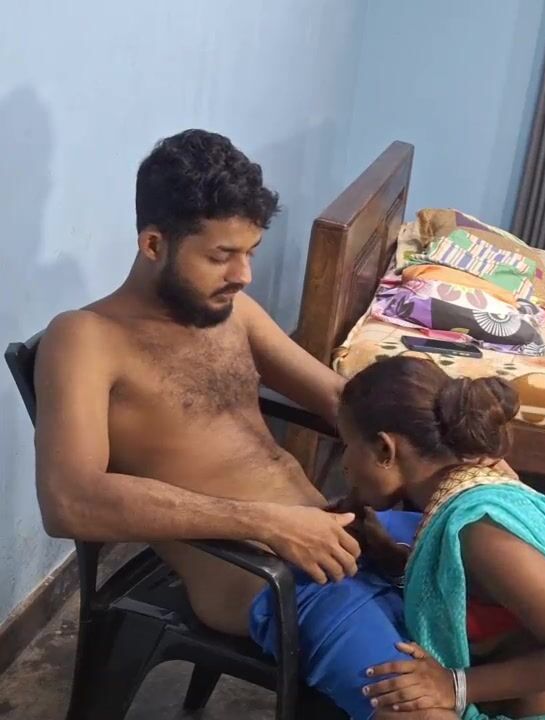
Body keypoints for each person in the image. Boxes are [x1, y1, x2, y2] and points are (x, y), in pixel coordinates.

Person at [33, 129, 418, 718]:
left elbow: (343, 401)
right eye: (220, 256)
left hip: (338, 534)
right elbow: (70, 501)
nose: (243, 275)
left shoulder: (232, 312)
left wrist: (449, 461)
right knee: (414, 704)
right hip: (271, 581)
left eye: (250, 253)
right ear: (154, 244)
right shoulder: (86, 339)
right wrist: (268, 523)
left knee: (522, 600)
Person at [333, 356, 545, 719]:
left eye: (347, 444)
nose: (344, 464)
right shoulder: (463, 493)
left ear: (386, 449)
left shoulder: (479, 529)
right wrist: (389, 555)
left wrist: (454, 685)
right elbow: (470, 591)